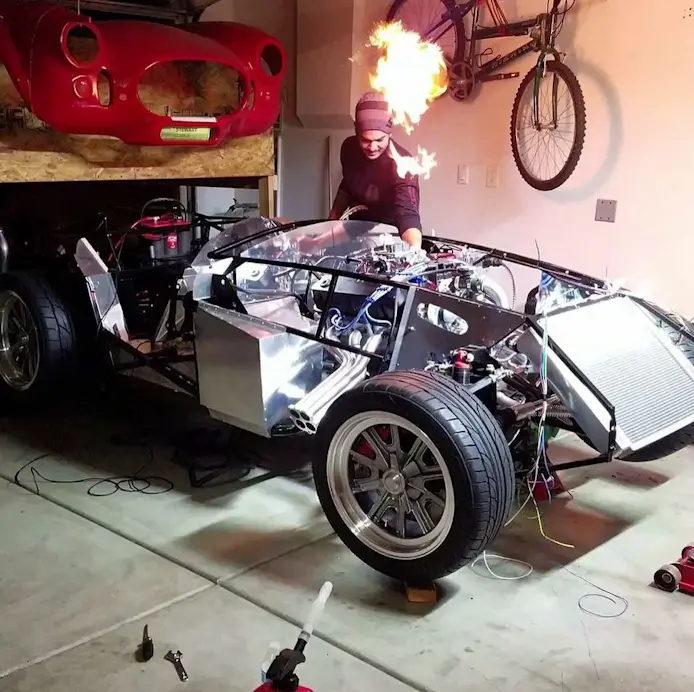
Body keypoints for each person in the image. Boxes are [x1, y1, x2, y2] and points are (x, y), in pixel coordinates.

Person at [299, 91, 424, 253]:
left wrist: (415, 251)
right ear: (356, 132)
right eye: (365, 140)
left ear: (389, 133)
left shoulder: (403, 165)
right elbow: (347, 186)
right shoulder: (349, 148)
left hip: (390, 233)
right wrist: (330, 223)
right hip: (356, 225)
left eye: (379, 140)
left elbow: (408, 215)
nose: (372, 147)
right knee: (327, 256)